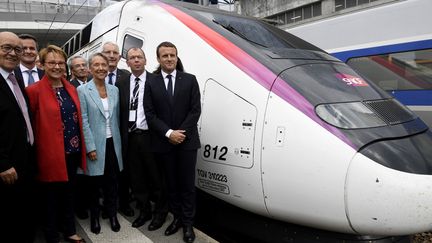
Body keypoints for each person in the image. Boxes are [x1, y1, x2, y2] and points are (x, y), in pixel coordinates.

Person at [26, 45, 86, 243]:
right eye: (51, 62)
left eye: (60, 63)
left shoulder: (71, 88)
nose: (57, 66)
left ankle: (69, 230)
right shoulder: (33, 91)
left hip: (72, 151)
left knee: (69, 193)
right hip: (49, 154)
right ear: (42, 65)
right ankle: (51, 234)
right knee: (50, 197)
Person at [144, 41, 201, 243]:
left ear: (177, 57)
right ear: (158, 59)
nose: (169, 59)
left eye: (172, 55)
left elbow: (195, 110)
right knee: (171, 184)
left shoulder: (190, 80)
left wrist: (180, 133)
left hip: (187, 143)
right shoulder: (151, 82)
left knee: (187, 185)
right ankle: (176, 218)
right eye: (165, 56)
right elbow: (150, 114)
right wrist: (169, 133)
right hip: (164, 143)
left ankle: (188, 224)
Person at [117, 47, 168, 230]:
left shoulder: (157, 81)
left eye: (139, 57)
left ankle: (160, 213)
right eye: (132, 58)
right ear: (127, 62)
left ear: (146, 61)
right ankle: (144, 210)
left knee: (156, 178)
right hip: (130, 138)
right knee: (137, 178)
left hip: (151, 137)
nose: (136, 60)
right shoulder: (121, 83)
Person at [77, 53, 123, 234]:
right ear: (90, 68)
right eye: (96, 65)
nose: (101, 68)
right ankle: (95, 217)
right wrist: (90, 147)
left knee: (112, 183)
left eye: (103, 64)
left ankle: (112, 215)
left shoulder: (114, 90)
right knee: (94, 185)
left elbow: (116, 118)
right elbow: (84, 120)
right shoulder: (83, 90)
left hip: (113, 144)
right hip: (95, 145)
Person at [0, 31, 37, 243]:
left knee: (23, 217)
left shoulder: (14, 80)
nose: (13, 53)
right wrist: (2, 163)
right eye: (7, 48)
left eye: (17, 49)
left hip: (24, 160)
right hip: (7, 168)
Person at [101, 41, 134, 217]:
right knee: (106, 172)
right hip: (103, 134)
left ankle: (124, 203)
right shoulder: (94, 76)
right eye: (108, 52)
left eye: (115, 53)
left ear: (120, 57)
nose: (112, 55)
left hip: (123, 133)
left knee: (123, 172)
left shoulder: (128, 76)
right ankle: (108, 205)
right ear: (102, 55)